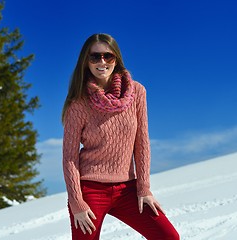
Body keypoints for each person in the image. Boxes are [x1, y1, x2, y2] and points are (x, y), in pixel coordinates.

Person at [61, 33, 180, 240]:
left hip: (128, 189)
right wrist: (76, 201)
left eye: (108, 56)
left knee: (168, 236)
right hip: (90, 191)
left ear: (116, 59)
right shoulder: (78, 104)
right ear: (85, 61)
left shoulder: (137, 92)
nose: (102, 62)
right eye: (95, 57)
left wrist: (144, 189)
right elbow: (70, 157)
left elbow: (141, 143)